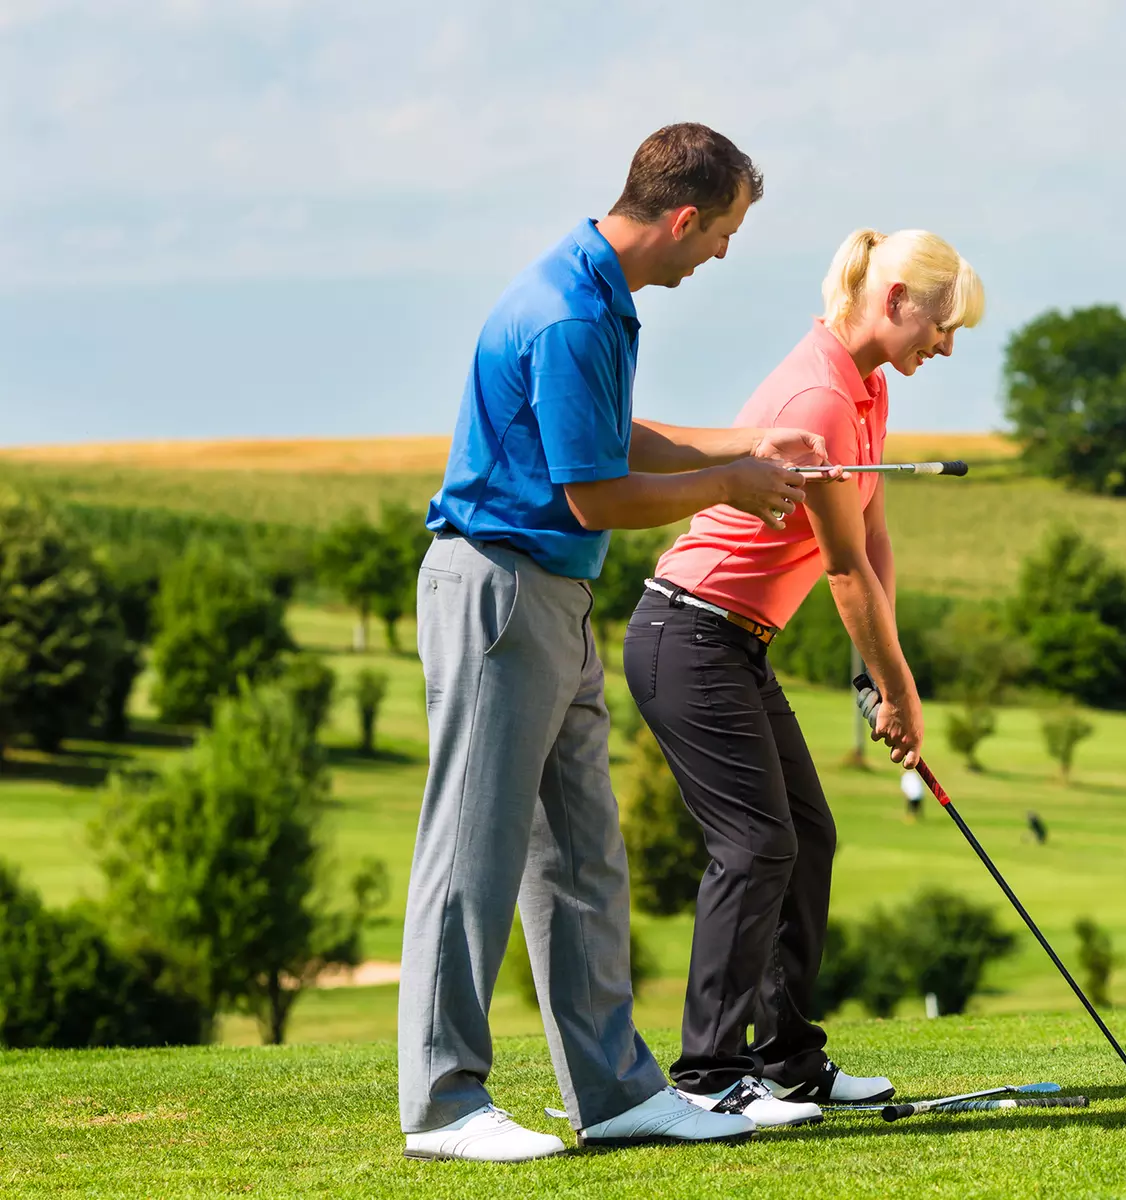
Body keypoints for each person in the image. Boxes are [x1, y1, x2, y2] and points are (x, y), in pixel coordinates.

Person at [399, 123, 840, 1163]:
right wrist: (730, 486)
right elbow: (592, 493)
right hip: (499, 590)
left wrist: (741, 442)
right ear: (684, 219)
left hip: (552, 597)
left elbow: (609, 439)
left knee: (584, 856)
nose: (721, 254)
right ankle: (446, 1103)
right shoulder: (567, 313)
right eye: (724, 233)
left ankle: (613, 1093)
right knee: (475, 853)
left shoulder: (595, 296)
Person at [625, 228, 984, 1128]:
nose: (942, 346)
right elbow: (841, 568)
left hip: (732, 643)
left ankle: (786, 1060)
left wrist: (876, 672)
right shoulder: (823, 395)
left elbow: (875, 539)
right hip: (687, 633)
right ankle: (708, 1072)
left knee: (806, 835)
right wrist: (899, 692)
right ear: (896, 297)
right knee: (755, 845)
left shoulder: (862, 388)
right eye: (940, 326)